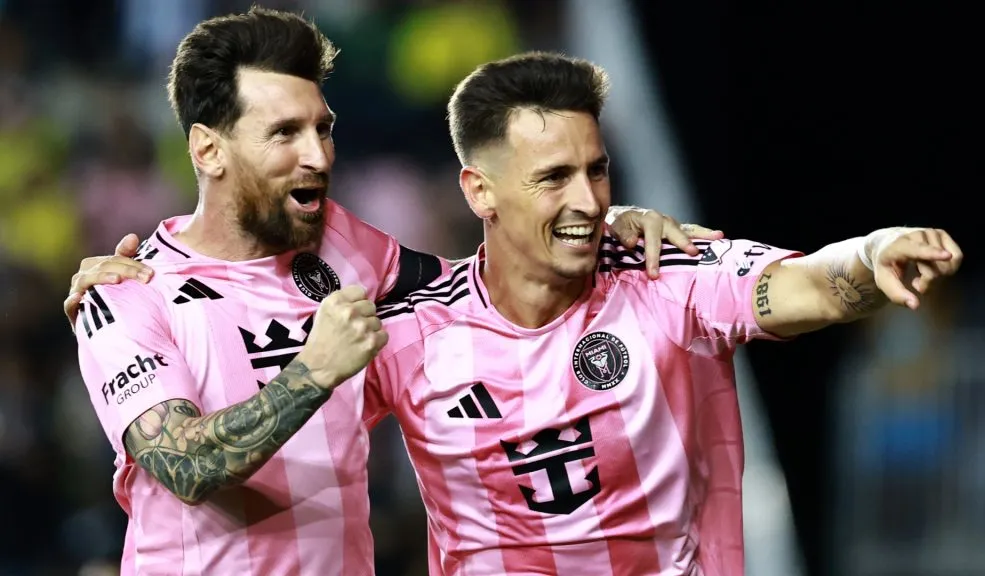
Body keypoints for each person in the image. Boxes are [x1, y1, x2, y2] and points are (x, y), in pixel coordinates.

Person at [66, 8, 715, 576]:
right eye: (284, 134)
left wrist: (600, 231)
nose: (318, 156)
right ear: (208, 150)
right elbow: (186, 467)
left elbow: (481, 292)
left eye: (322, 128)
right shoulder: (126, 295)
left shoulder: (339, 244)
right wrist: (314, 370)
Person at [346, 52, 962, 576]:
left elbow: (811, 287)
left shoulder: (666, 275)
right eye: (554, 177)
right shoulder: (410, 333)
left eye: (597, 170)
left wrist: (871, 253)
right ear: (479, 190)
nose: (587, 200)